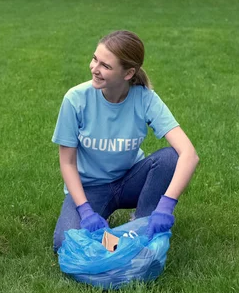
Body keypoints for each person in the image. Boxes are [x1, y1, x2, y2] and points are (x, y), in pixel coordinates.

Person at [52, 30, 199, 251]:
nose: (95, 68)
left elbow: (189, 154)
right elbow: (67, 162)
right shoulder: (75, 99)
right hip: (90, 189)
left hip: (130, 182)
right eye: (95, 59)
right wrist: (85, 211)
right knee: (64, 242)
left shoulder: (145, 99)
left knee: (171, 157)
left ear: (128, 73)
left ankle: (143, 223)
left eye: (106, 66)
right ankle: (118, 240)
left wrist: (166, 206)